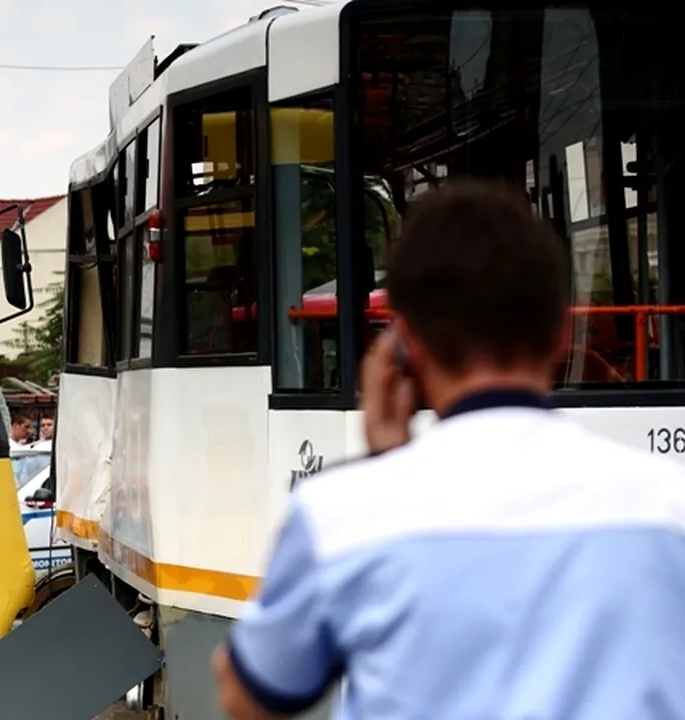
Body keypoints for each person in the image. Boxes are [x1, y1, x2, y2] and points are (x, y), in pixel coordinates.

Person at [213, 179, 685, 720]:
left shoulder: (341, 516)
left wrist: (382, 471)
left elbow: (247, 694)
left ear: (404, 343)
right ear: (561, 332)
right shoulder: (669, 505)